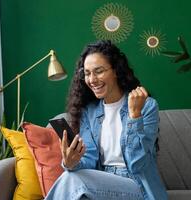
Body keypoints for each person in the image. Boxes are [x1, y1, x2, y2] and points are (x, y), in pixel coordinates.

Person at [45, 40, 168, 200]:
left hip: (137, 185)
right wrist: (71, 163)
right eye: (87, 73)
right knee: (74, 183)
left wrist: (134, 116)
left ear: (116, 70)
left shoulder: (146, 106)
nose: (92, 79)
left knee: (74, 180)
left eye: (99, 71)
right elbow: (89, 158)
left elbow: (138, 163)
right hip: (101, 185)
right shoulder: (89, 112)